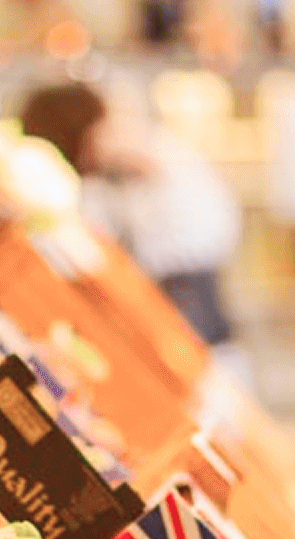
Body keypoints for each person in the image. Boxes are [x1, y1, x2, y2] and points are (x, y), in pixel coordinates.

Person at [18, 81, 242, 348]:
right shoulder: (102, 183)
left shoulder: (155, 154)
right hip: (159, 302)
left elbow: (211, 230)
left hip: (189, 299)